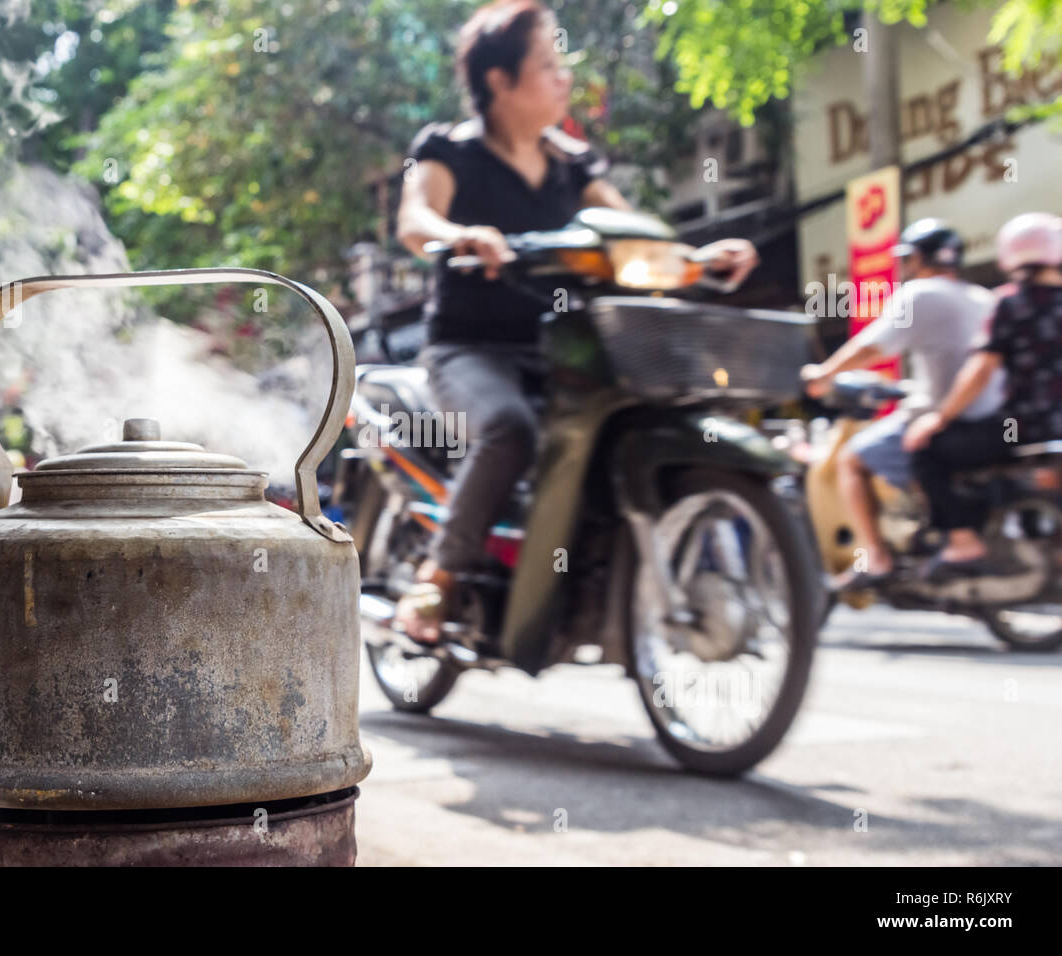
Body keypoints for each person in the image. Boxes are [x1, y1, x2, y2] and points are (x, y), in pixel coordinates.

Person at [392, 0, 758, 643]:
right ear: (499, 81)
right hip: (471, 348)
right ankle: (439, 577)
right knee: (509, 429)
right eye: (548, 64)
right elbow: (415, 221)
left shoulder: (573, 165)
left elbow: (634, 237)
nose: (564, 78)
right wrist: (461, 236)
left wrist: (697, 258)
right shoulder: (449, 149)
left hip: (568, 347)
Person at [800, 218, 1003, 590]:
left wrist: (824, 373)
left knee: (852, 460)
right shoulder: (982, 297)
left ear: (917, 258)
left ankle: (876, 557)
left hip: (947, 420)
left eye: (906, 259)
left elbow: (871, 347)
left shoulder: (920, 294)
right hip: (992, 420)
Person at [902, 212, 1062, 577]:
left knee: (926, 450)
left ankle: (962, 542)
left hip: (1020, 428)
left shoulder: (1009, 303)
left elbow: (981, 369)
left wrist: (937, 419)